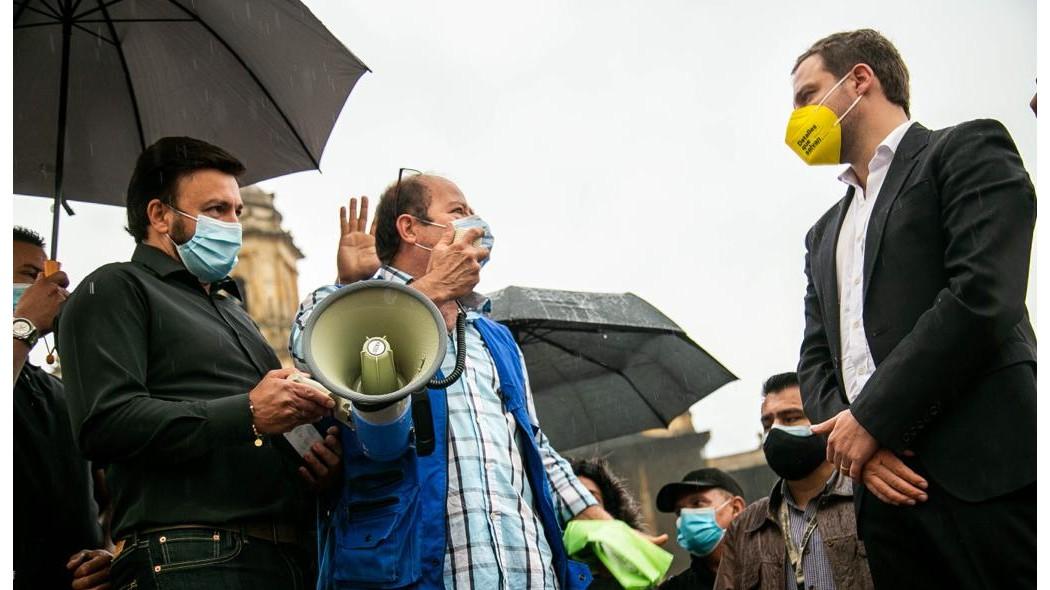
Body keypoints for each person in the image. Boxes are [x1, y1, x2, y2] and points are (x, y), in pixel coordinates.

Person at [291, 175, 660, 589]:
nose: (476, 224)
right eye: (459, 212)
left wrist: (602, 522)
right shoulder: (343, 301)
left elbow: (533, 445)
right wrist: (427, 291)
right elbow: (312, 351)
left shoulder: (492, 336)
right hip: (416, 571)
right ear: (411, 229)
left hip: (526, 570)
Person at [789, 29, 1036, 589]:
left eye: (807, 95)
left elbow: (982, 296)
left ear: (860, 80)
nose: (797, 118)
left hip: (984, 474)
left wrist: (870, 419)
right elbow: (815, 358)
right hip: (883, 497)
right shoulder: (822, 234)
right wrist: (857, 449)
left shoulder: (965, 149)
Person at [57, 137, 342, 589]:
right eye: (215, 210)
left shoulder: (232, 309)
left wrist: (311, 459)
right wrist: (247, 412)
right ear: (160, 215)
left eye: (237, 212)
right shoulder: (116, 289)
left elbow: (260, 424)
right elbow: (105, 421)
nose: (232, 224)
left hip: (286, 559)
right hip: (195, 558)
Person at [13, 226, 112, 590]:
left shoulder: (59, 391)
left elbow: (111, 491)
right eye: (29, 276)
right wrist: (22, 326)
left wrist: (110, 552)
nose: (46, 289)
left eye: (49, 279)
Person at [714, 372, 872, 590]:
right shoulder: (746, 527)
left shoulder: (869, 501)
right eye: (768, 423)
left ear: (827, 421)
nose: (776, 431)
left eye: (790, 418)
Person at [654, 468, 746, 590]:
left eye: (697, 503)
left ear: (736, 508)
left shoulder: (773, 570)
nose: (687, 517)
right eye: (679, 512)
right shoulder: (676, 588)